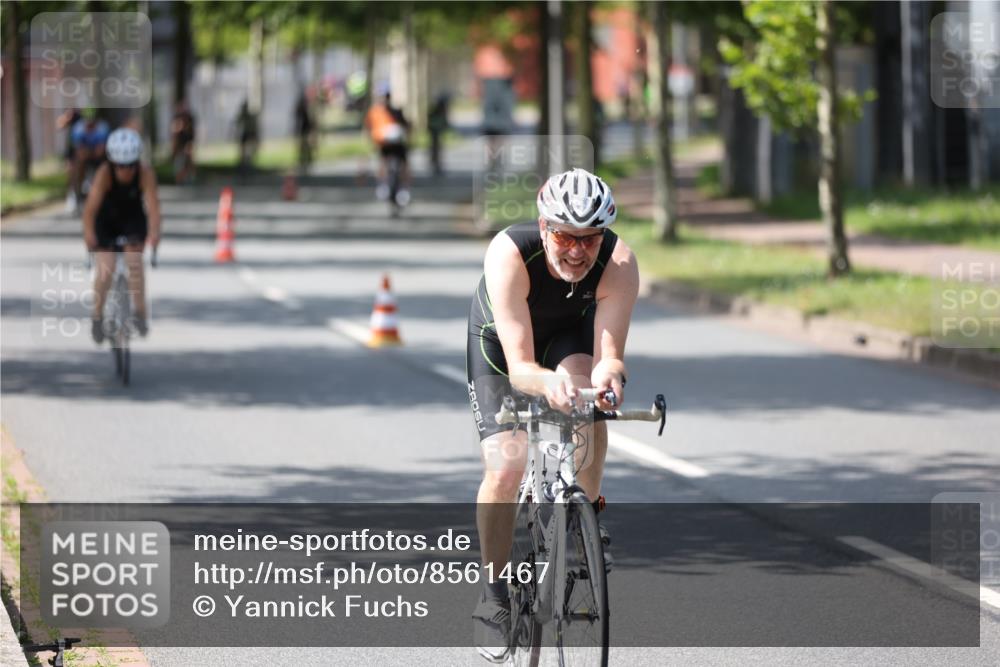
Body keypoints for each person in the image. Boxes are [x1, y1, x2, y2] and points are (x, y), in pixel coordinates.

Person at [466, 168, 638, 662]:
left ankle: (585, 513)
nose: (578, 251)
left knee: (588, 398)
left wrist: (610, 380)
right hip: (503, 345)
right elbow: (521, 368)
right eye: (565, 237)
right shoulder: (509, 253)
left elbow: (609, 357)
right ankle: (494, 596)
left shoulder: (619, 263)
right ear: (544, 227)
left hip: (569, 335)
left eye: (590, 238)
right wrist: (546, 384)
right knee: (506, 465)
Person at [82, 127, 161, 342]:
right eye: (120, 166)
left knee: (134, 262)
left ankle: (140, 312)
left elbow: (154, 208)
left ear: (137, 162)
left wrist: (154, 235)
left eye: (130, 165)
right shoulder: (104, 174)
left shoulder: (145, 174)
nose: (125, 171)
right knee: (106, 267)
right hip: (106, 220)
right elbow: (90, 210)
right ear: (112, 163)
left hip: (132, 218)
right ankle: (97, 316)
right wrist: (89, 235)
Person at [363, 89, 411, 205]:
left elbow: (407, 125)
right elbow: (368, 127)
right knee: (383, 163)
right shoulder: (374, 112)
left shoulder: (397, 111)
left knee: (403, 164)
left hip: (397, 144)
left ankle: (403, 189)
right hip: (383, 144)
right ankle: (383, 185)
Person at [69, 108, 110, 211]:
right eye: (87, 121)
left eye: (92, 121)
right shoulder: (78, 128)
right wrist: (87, 153)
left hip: (99, 156)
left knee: (106, 167)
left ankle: (106, 193)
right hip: (85, 155)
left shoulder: (103, 127)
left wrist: (91, 152)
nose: (90, 124)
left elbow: (101, 150)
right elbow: (79, 151)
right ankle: (75, 194)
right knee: (74, 166)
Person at [170, 99, 197, 184]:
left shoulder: (190, 118)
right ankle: (179, 179)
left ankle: (191, 177)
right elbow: (174, 132)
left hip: (188, 142)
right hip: (179, 144)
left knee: (189, 159)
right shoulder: (176, 118)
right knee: (179, 162)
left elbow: (191, 132)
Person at [427, 92, 450, 176]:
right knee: (436, 149)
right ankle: (436, 164)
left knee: (436, 149)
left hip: (435, 132)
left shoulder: (436, 111)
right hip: (435, 132)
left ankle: (436, 164)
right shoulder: (437, 111)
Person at [234, 99, 259, 172]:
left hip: (250, 133)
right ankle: (243, 163)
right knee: (243, 149)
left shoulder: (250, 115)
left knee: (248, 150)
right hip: (246, 133)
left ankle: (247, 163)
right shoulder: (244, 115)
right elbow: (238, 122)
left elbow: (254, 126)